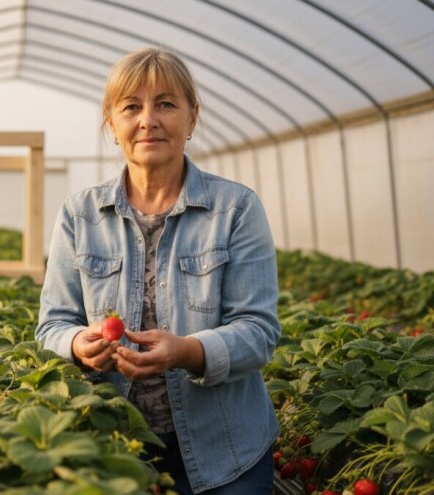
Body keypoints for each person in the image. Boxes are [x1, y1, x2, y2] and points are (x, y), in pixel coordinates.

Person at [35, 47, 280, 494]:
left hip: (224, 448)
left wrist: (187, 351)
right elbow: (52, 324)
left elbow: (259, 331)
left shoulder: (236, 209)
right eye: (131, 107)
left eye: (166, 104)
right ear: (112, 125)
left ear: (192, 118)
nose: (148, 120)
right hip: (111, 445)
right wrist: (77, 345)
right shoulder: (79, 214)